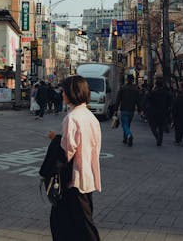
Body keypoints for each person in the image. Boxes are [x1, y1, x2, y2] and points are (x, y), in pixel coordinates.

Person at [43, 75, 101, 240]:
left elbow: (67, 151)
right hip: (86, 176)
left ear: (71, 92)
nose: (62, 94)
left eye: (64, 91)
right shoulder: (90, 117)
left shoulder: (72, 118)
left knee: (82, 225)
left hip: (73, 181)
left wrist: (56, 143)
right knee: (68, 222)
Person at [145, 78, 173, 146]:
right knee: (161, 127)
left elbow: (148, 100)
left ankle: (157, 137)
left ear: (156, 85)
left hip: (153, 112)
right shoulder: (166, 93)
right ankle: (160, 139)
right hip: (163, 112)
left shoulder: (152, 93)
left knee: (153, 127)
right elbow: (170, 102)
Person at [114, 75, 140, 147]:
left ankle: (129, 135)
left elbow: (118, 99)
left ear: (127, 80)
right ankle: (125, 138)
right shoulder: (136, 89)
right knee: (127, 124)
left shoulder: (122, 88)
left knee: (125, 124)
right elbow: (138, 100)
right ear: (133, 80)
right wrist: (139, 109)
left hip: (124, 109)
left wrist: (116, 109)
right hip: (131, 110)